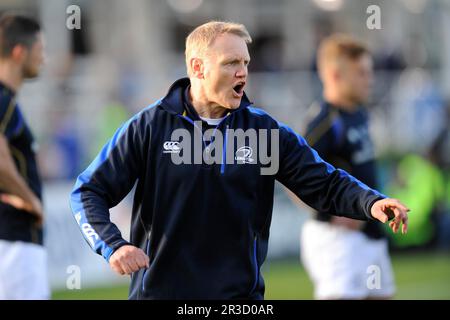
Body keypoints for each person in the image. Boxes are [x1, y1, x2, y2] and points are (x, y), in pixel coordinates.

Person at [70, 21, 409, 300]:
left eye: (245, 63)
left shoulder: (264, 130)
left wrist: (371, 202)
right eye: (231, 63)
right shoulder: (149, 127)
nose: (242, 73)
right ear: (197, 68)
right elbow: (88, 191)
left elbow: (325, 182)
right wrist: (112, 245)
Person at [300, 34, 395, 299]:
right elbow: (294, 179)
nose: (370, 79)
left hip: (370, 232)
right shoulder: (324, 122)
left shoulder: (360, 112)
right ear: (335, 75)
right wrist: (333, 214)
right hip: (338, 238)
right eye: (362, 73)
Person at [0, 14, 48, 299]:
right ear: (20, 53)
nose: (44, 59)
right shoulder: (3, 99)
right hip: (14, 239)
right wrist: (32, 202)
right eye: (41, 51)